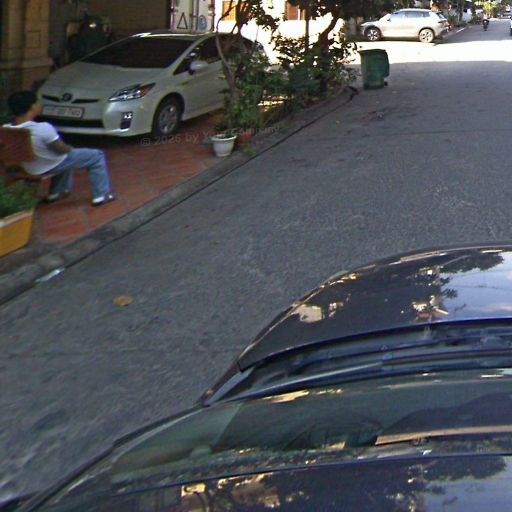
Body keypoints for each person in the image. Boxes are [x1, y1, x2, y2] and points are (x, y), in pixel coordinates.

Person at [4, 90, 115, 206]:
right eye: (38, 102)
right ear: (33, 107)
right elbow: (61, 149)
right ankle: (102, 195)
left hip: (28, 167)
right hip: (48, 165)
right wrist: (70, 148)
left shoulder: (6, 130)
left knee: (63, 158)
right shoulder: (42, 128)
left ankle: (56, 193)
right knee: (96, 156)